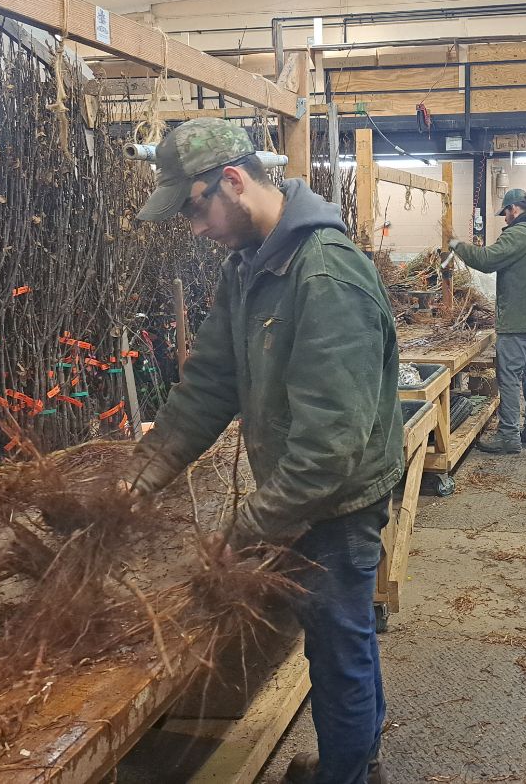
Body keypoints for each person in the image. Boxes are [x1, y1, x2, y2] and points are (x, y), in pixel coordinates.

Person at [122, 119, 401, 784]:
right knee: (344, 643)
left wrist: (246, 529)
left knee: (339, 652)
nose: (196, 227)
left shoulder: (325, 276)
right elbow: (211, 382)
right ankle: (358, 759)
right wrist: (141, 479)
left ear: (234, 181)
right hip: (299, 490)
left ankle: (348, 775)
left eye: (195, 209)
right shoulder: (249, 267)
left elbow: (330, 449)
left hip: (336, 504)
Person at [448, 188, 526, 453]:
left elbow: (486, 260)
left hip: (518, 320)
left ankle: (508, 437)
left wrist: (457, 245)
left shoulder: (519, 234)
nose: (505, 220)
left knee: (508, 378)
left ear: (514, 209)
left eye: (505, 214)